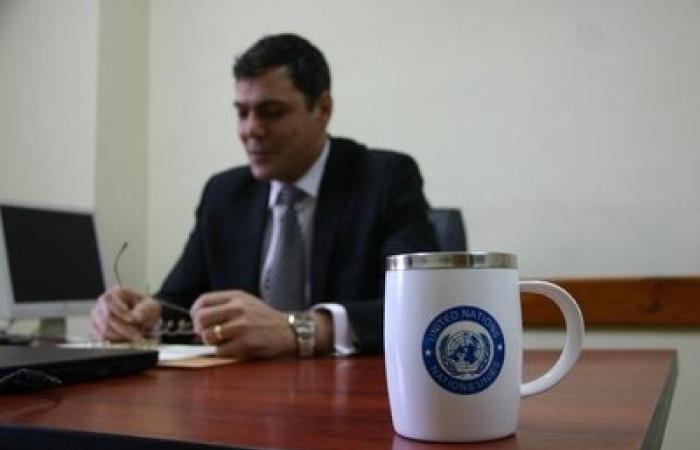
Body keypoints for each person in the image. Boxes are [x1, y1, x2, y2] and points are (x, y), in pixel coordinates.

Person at [90, 33, 437, 359]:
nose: (251, 129)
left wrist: (301, 329)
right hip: (241, 391)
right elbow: (180, 300)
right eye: (242, 112)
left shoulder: (384, 179)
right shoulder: (223, 194)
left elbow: (421, 304)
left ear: (323, 109)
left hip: (348, 389)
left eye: (271, 112)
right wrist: (144, 316)